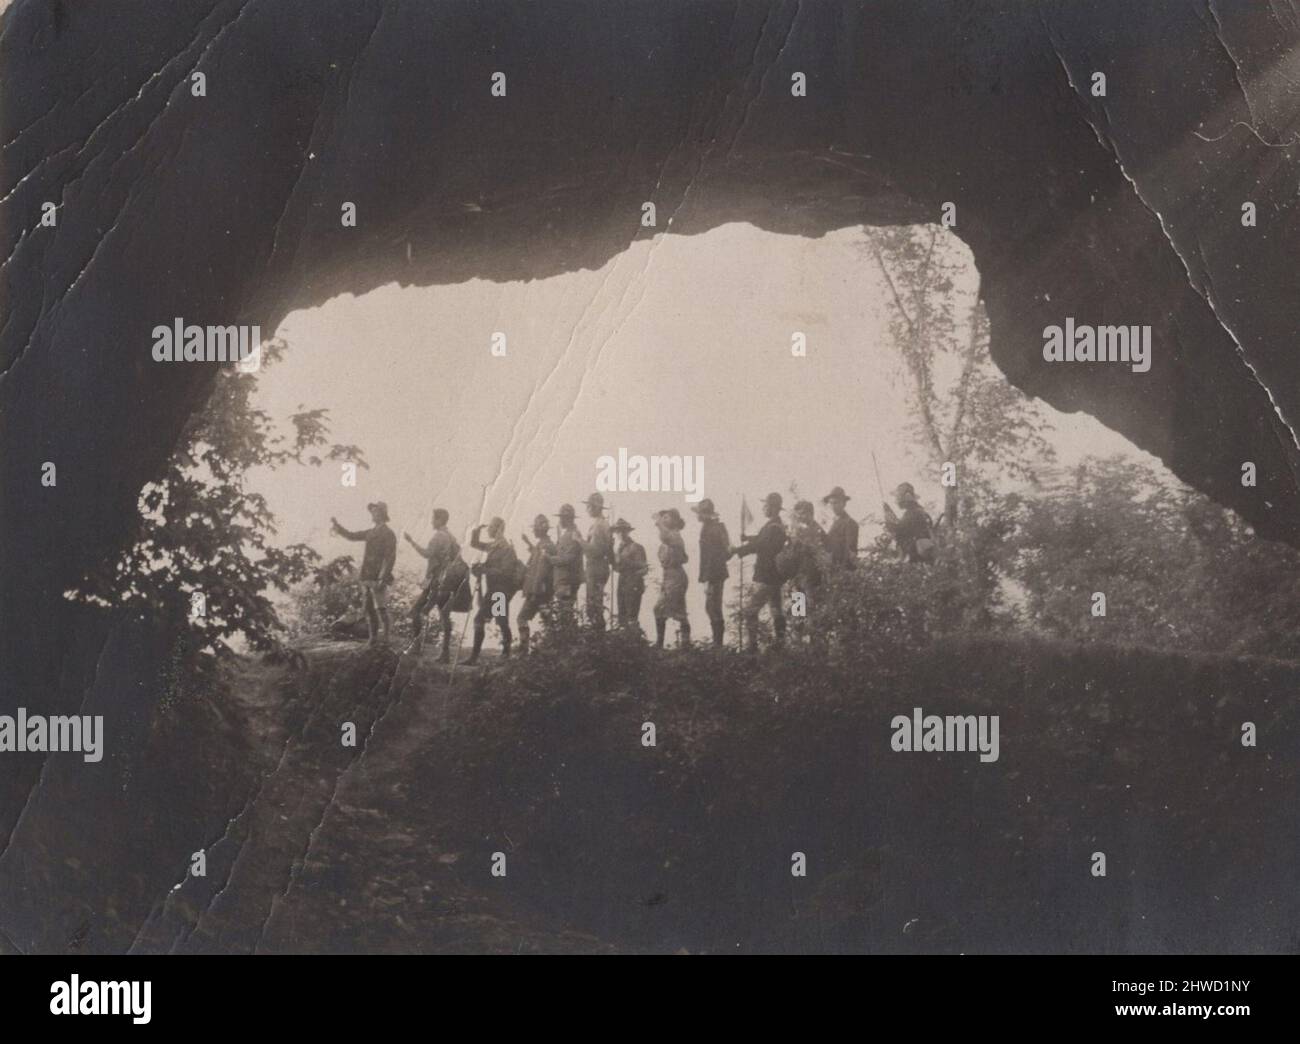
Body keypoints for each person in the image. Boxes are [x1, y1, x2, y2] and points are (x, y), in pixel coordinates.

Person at [330, 501, 396, 647]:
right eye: (372, 511)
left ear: (383, 514)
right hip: (366, 576)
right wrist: (338, 527)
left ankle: (386, 638)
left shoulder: (388, 533)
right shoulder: (370, 532)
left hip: (378, 576)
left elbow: (390, 558)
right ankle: (373, 638)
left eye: (376, 511)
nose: (373, 514)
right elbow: (352, 536)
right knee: (368, 608)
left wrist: (382, 578)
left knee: (381, 608)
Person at [731, 491, 787, 653]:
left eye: (766, 505)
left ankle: (752, 646)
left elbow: (761, 546)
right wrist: (748, 538)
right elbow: (761, 540)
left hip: (766, 575)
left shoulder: (773, 527)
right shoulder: (775, 525)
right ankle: (781, 644)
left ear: (773, 507)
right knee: (776, 609)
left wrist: (738, 550)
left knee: (750, 610)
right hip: (775, 575)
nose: (763, 508)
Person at [403, 507, 461, 657]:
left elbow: (427, 554)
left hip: (435, 580)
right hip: (447, 581)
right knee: (444, 615)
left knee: (416, 611)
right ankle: (445, 653)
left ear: (440, 520)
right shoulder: (451, 536)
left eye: (433, 518)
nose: (431, 521)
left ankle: (416, 647)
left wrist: (411, 542)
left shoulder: (438, 537)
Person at [468, 517, 519, 663]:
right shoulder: (493, 546)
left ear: (498, 529)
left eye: (491, 527)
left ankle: (480, 656)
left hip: (500, 591)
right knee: (495, 620)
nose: (488, 530)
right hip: (493, 590)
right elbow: (474, 543)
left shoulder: (506, 548)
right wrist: (476, 531)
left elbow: (506, 572)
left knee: (493, 620)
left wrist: (485, 569)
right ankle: (502, 653)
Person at [693, 498, 731, 648]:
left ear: (704, 514)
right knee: (713, 607)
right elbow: (727, 552)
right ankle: (717, 644)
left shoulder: (712, 529)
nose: (697, 516)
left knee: (712, 608)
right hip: (716, 572)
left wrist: (707, 577)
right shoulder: (716, 527)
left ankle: (717, 645)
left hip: (713, 573)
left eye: (699, 513)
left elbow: (712, 555)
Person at [652, 509, 691, 648]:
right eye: (663, 517)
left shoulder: (675, 536)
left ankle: (661, 643)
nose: (663, 519)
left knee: (660, 608)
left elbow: (665, 537)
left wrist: (657, 522)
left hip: (676, 576)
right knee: (678, 611)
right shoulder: (670, 537)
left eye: (667, 517)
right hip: (669, 575)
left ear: (675, 521)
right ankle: (685, 644)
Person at [517, 514, 555, 655]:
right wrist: (528, 543)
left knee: (522, 618)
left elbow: (541, 570)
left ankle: (524, 649)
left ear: (540, 530)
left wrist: (534, 592)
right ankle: (550, 649)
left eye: (535, 528)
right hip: (543, 592)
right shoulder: (545, 544)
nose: (533, 531)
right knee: (548, 621)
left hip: (538, 591)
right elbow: (537, 555)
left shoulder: (545, 546)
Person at [576, 492, 614, 632]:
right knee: (595, 604)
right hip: (600, 566)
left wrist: (579, 540)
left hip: (596, 566)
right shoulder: (603, 524)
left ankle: (598, 638)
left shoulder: (598, 526)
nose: (587, 509)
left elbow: (595, 550)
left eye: (589, 506)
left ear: (595, 507)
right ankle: (598, 636)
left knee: (593, 605)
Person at [546, 503, 583, 629]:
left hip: (567, 580)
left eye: (562, 517)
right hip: (563, 580)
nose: (560, 520)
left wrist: (550, 558)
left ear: (568, 518)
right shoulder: (567, 534)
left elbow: (568, 558)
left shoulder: (572, 534)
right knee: (564, 613)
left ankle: (567, 644)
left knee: (565, 613)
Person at [883, 482, 937, 563]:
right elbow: (903, 527)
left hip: (915, 558)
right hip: (923, 556)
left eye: (899, 497)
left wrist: (889, 521)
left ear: (906, 497)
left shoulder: (913, 513)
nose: (897, 501)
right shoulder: (919, 511)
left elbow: (899, 531)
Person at [610, 518, 648, 630]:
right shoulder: (619, 549)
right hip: (622, 581)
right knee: (622, 614)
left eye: (623, 530)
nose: (621, 533)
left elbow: (643, 568)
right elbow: (617, 568)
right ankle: (624, 642)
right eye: (618, 531)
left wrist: (623, 561)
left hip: (633, 582)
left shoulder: (636, 547)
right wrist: (611, 554)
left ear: (628, 531)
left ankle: (635, 640)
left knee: (632, 615)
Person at [822, 486, 859, 569]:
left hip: (843, 569)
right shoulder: (832, 522)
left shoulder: (850, 523)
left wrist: (841, 570)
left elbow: (850, 551)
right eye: (831, 503)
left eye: (836, 503)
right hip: (832, 567)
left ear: (844, 503)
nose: (833, 506)